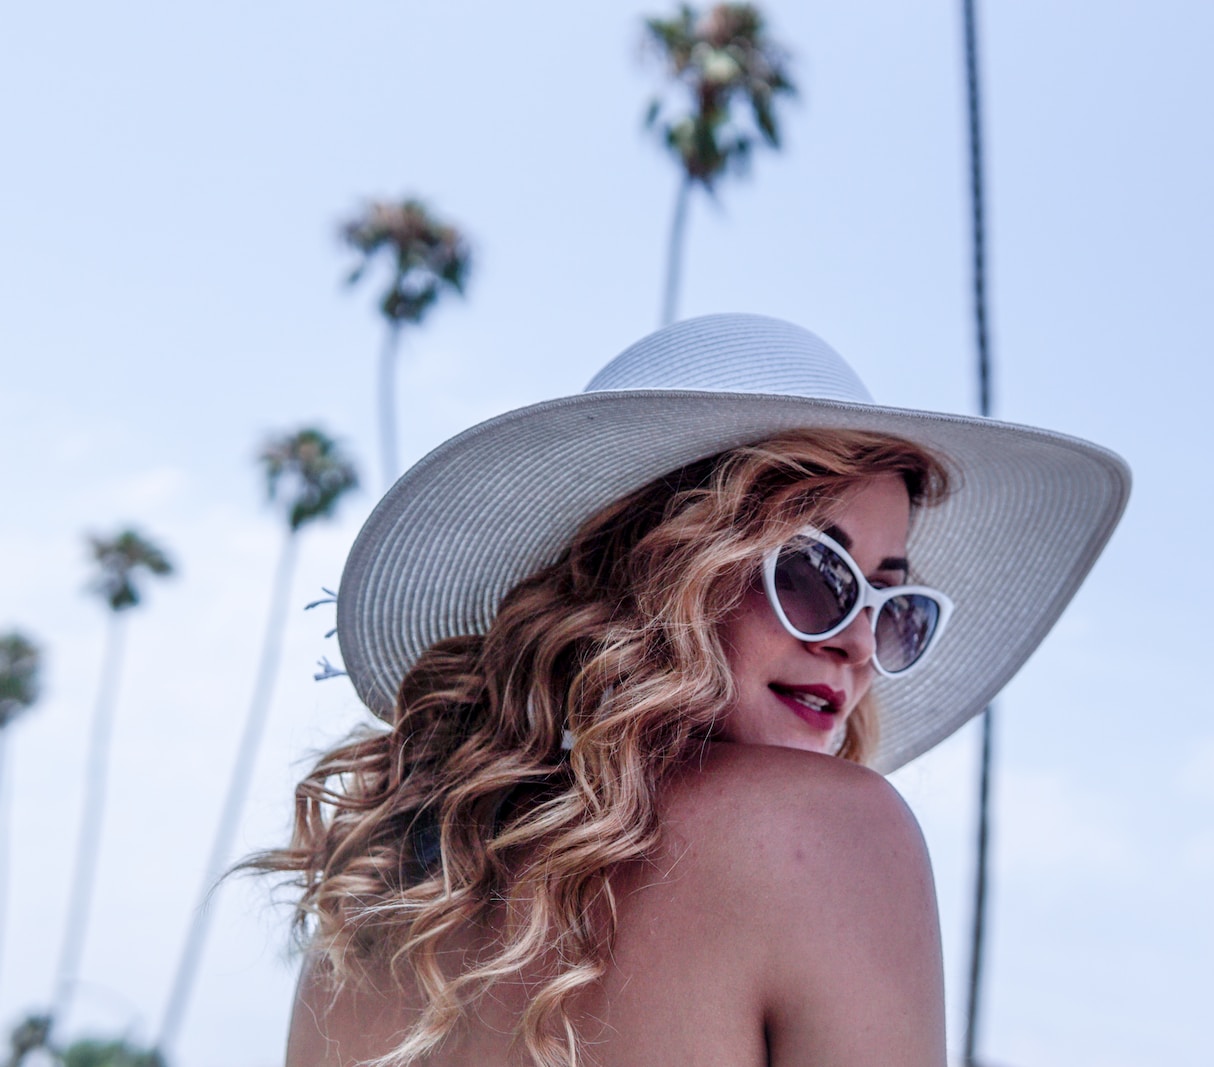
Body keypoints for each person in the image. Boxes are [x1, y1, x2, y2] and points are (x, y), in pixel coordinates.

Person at [259, 314, 1131, 1066]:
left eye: (895, 605)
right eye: (818, 572)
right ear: (664, 569)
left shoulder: (382, 892)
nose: (860, 642)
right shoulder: (830, 836)